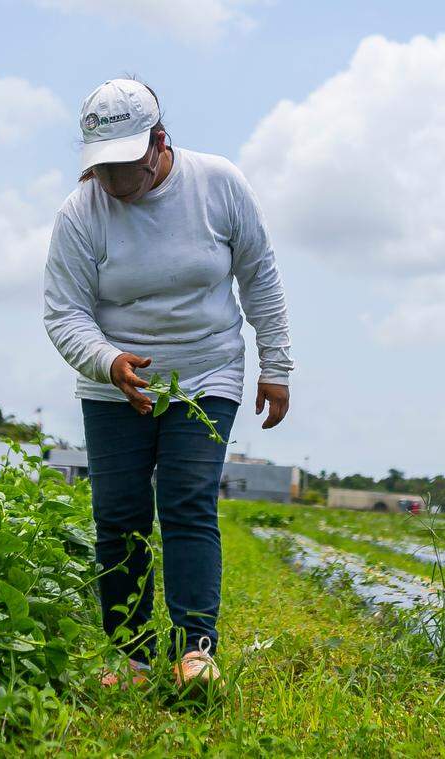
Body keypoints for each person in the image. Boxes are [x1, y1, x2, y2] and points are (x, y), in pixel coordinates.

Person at [42, 78, 294, 689]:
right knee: (119, 513)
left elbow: (259, 275)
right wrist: (107, 361)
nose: (112, 182)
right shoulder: (81, 213)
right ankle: (128, 653)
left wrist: (276, 366)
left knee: (186, 502)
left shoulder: (218, 184)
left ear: (158, 143)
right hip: (115, 384)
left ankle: (195, 650)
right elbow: (63, 312)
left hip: (206, 371)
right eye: (100, 168)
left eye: (124, 166)